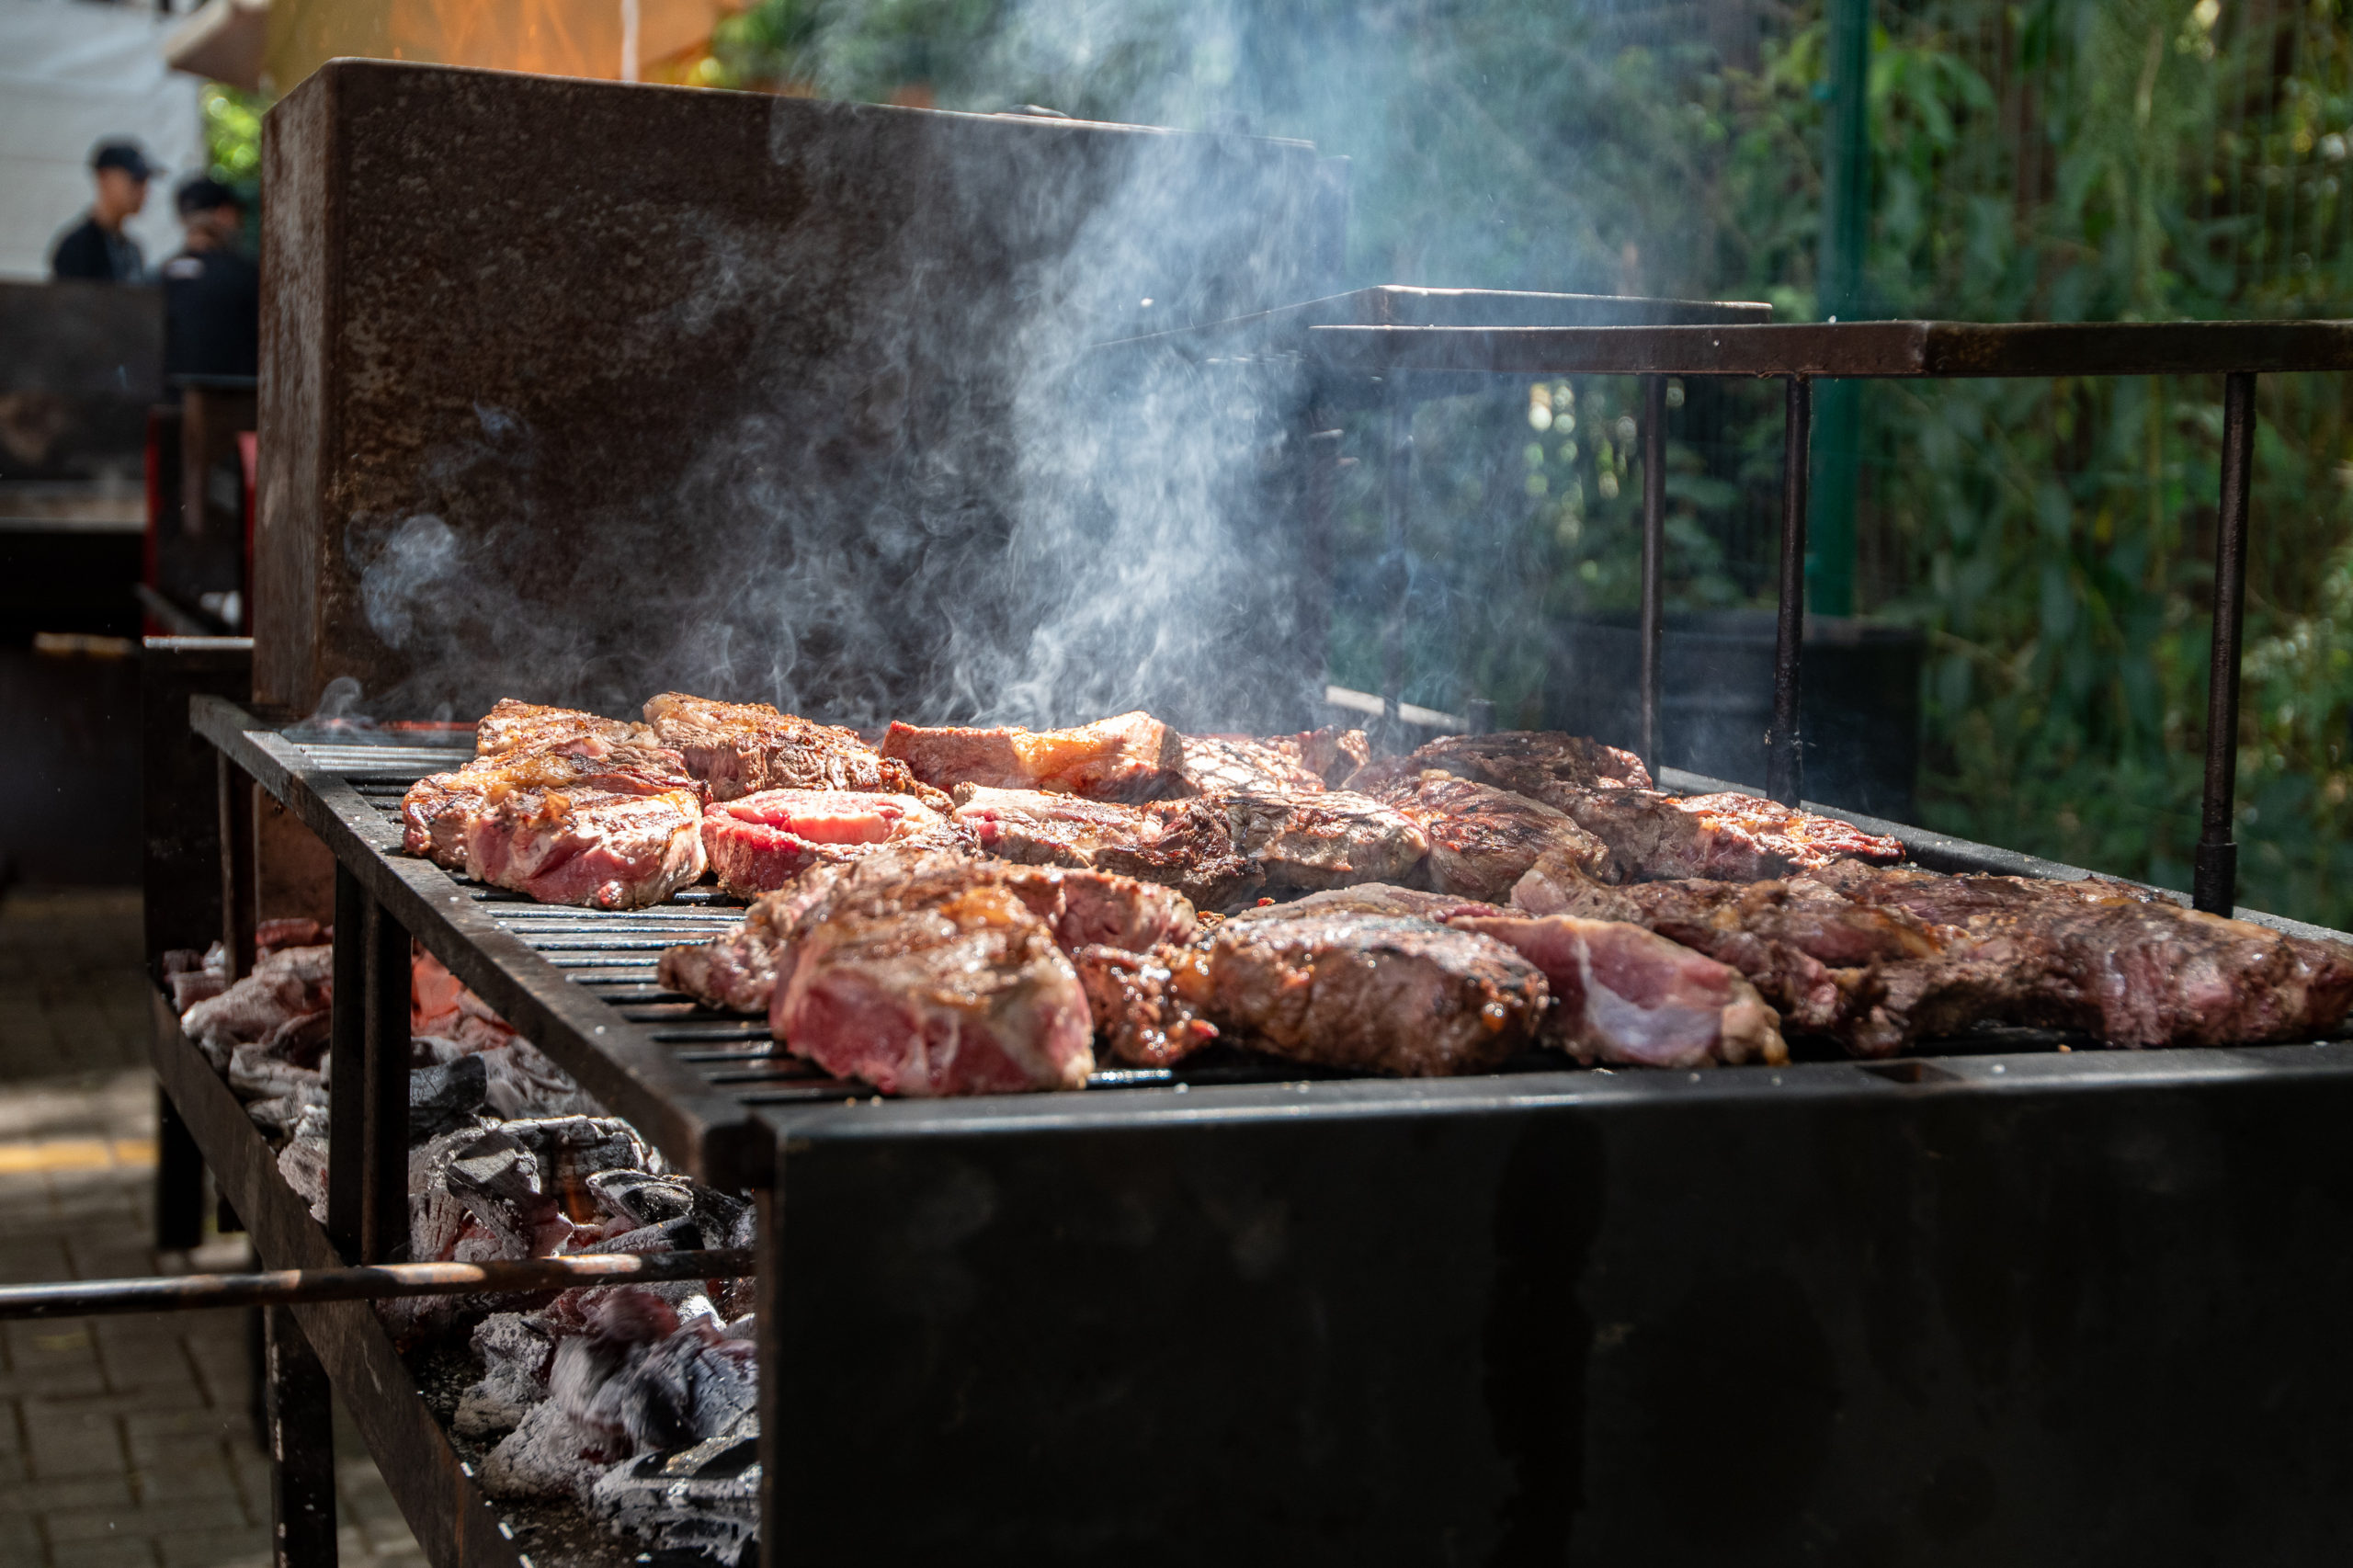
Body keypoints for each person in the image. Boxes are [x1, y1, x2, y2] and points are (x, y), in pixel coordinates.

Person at [161, 177, 260, 381]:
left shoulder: (158, 278)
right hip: (230, 405)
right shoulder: (247, 276)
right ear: (225, 213)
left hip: (165, 404)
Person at [51, 141, 159, 283]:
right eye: (136, 180)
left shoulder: (131, 250)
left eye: (145, 181)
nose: (144, 190)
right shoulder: (78, 248)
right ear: (104, 177)